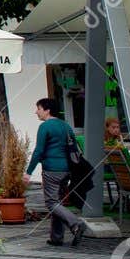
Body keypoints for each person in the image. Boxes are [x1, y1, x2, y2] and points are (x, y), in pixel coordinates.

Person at [28, 97, 86, 247]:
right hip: (66, 169)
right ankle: (56, 237)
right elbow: (74, 147)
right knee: (58, 202)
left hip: (52, 169)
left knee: (52, 203)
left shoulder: (45, 127)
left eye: (38, 108)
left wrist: (29, 172)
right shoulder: (66, 126)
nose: (36, 112)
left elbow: (38, 151)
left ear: (47, 110)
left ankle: (75, 223)